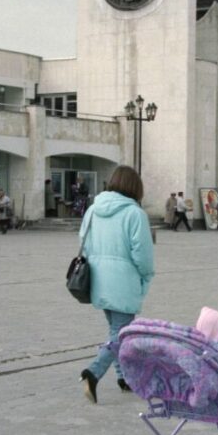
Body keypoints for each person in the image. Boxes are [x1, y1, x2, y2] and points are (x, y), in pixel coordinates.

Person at [78, 165, 155, 404]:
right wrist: (146, 275)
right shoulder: (135, 214)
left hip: (99, 279)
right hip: (123, 281)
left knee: (117, 331)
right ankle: (93, 372)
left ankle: (124, 379)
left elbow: (84, 241)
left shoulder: (93, 210)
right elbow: (142, 253)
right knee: (121, 334)